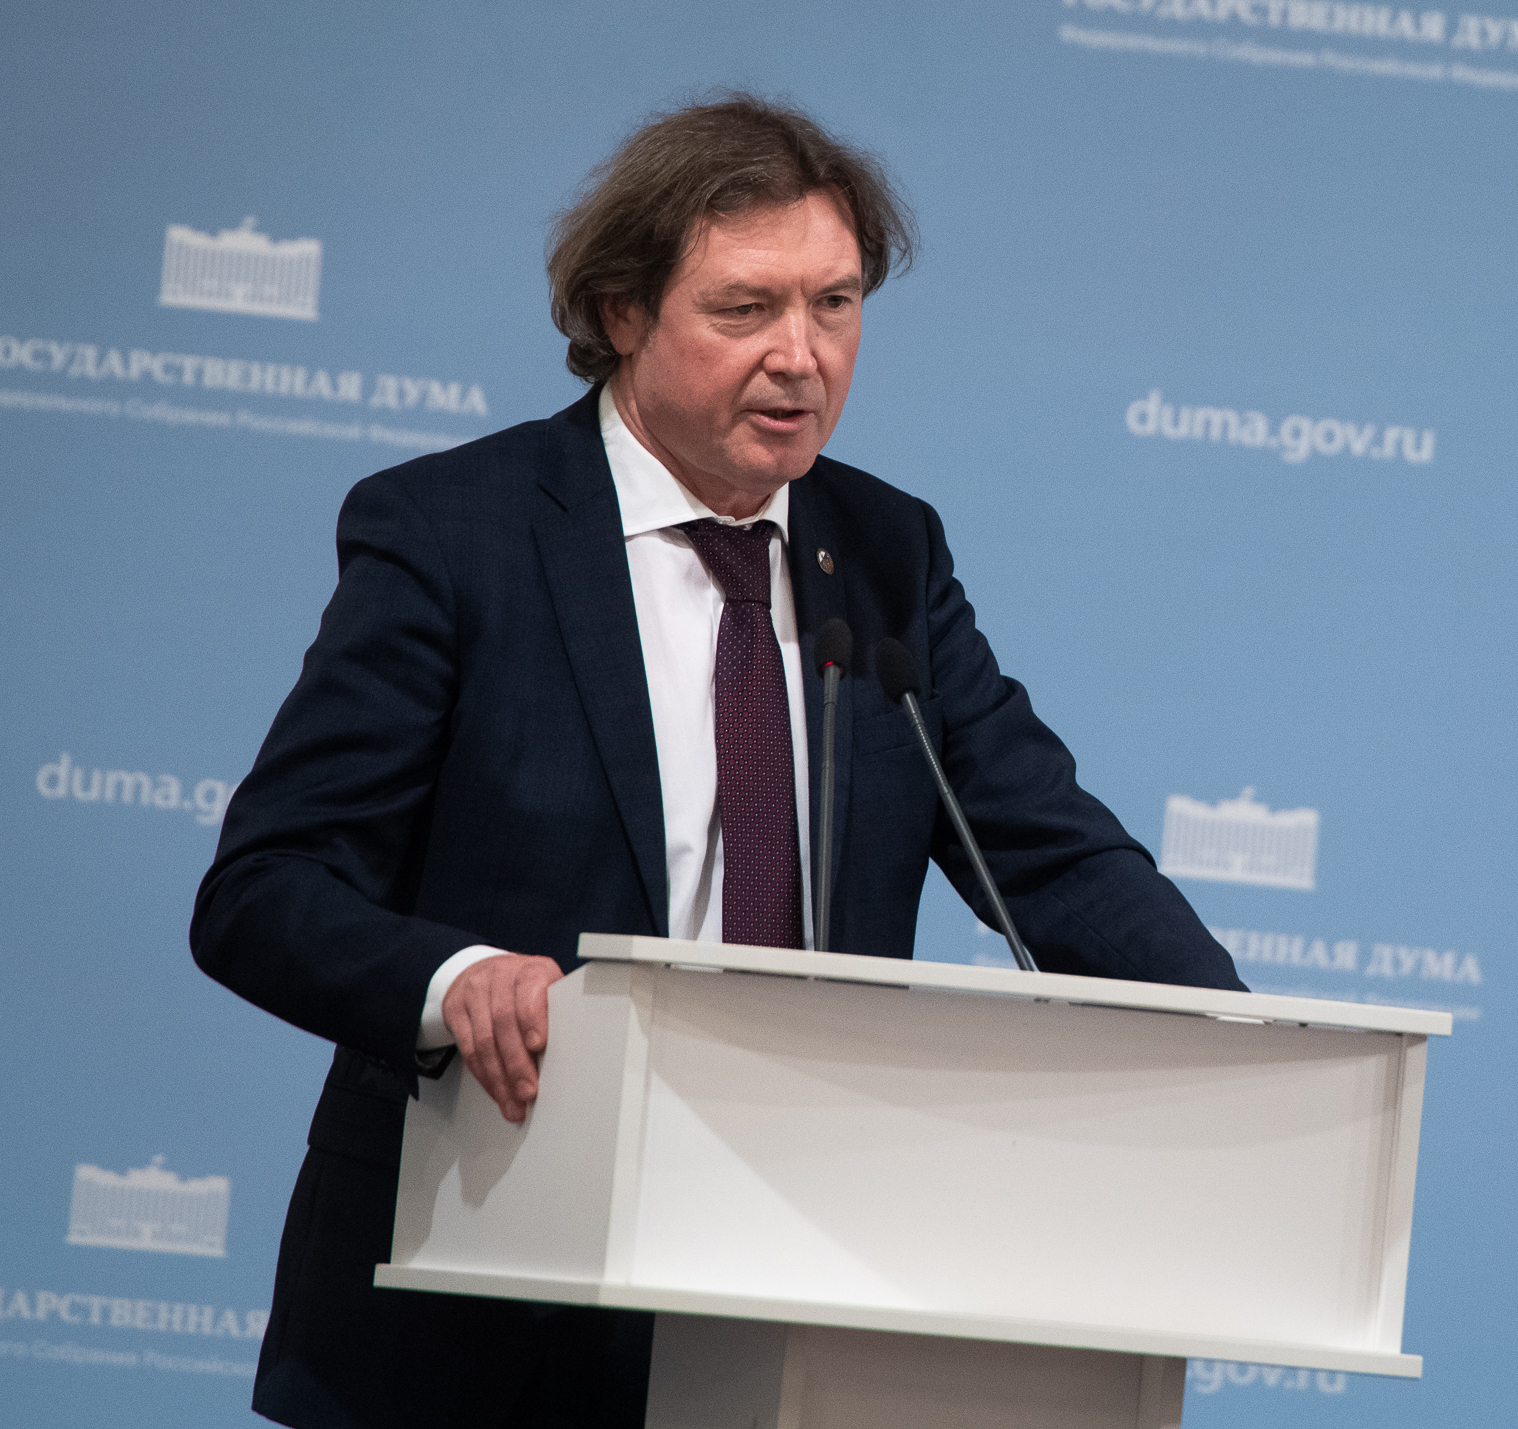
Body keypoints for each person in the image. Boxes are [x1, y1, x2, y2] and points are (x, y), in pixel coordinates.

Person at [191, 94, 1245, 1429]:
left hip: (784, 1296)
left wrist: (1250, 1049)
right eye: (746, 309)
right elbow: (266, 889)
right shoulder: (455, 533)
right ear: (624, 311)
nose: (801, 357)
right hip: (471, 1299)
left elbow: (1048, 847)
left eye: (836, 305)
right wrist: (454, 981)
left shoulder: (887, 553)